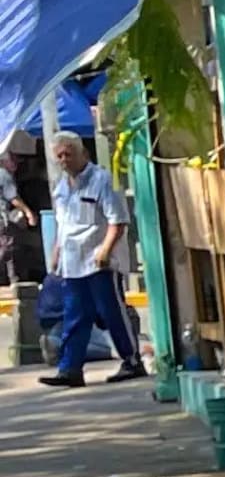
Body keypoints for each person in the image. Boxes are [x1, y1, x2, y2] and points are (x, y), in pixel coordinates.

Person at [37, 123, 145, 386]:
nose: (64, 160)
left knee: (112, 313)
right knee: (74, 316)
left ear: (83, 154)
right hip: (72, 264)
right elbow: (64, 226)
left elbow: (117, 221)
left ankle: (132, 361)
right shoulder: (61, 187)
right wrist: (56, 253)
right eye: (59, 156)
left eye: (68, 154)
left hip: (99, 261)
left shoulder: (101, 180)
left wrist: (106, 250)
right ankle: (70, 369)